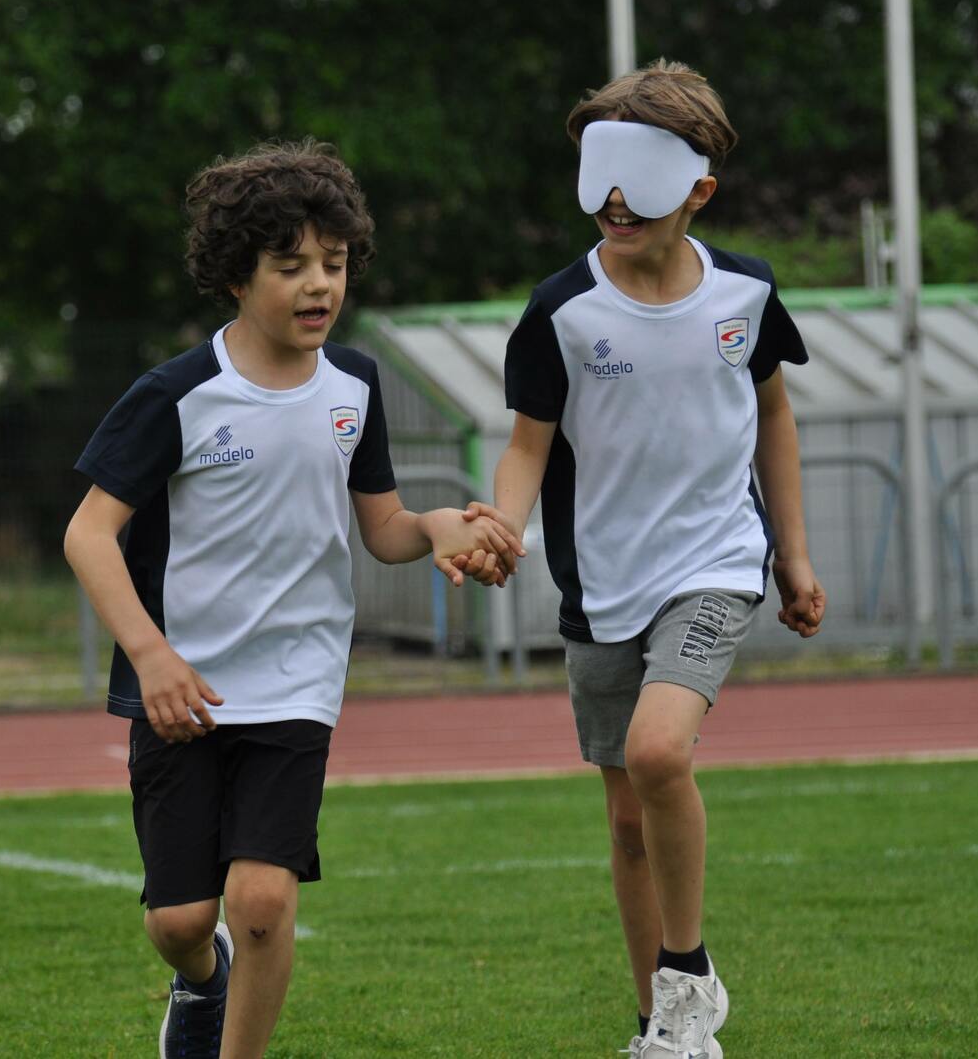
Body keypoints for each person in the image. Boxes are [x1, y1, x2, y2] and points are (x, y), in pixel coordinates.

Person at [64, 138, 521, 1059]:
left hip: (297, 680)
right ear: (237, 277)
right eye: (291, 266)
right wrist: (152, 656)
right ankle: (202, 979)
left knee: (264, 899)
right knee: (180, 920)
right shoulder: (177, 395)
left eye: (335, 263)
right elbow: (87, 533)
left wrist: (440, 527)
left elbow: (383, 526)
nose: (319, 285)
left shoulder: (356, 384)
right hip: (184, 688)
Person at [459, 60, 827, 1058]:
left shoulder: (747, 291)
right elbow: (527, 446)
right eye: (601, 178)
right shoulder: (561, 310)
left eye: (641, 180)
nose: (616, 202)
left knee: (660, 751)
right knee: (627, 819)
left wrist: (791, 557)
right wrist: (502, 526)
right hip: (602, 583)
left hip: (714, 562)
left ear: (699, 189)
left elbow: (773, 416)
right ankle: (662, 1027)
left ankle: (690, 971)